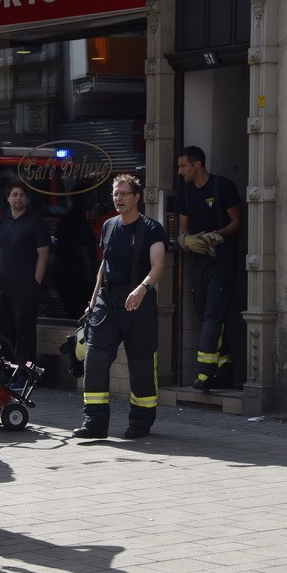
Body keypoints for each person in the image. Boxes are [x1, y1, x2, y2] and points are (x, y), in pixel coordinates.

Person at [74, 174, 168, 440]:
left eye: (125, 194)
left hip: (138, 299)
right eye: (116, 194)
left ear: (136, 197)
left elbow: (158, 265)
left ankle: (140, 421)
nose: (119, 198)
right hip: (108, 300)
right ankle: (94, 422)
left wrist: (142, 289)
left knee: (140, 362)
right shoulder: (109, 226)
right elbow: (103, 267)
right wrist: (93, 302)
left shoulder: (152, 229)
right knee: (95, 357)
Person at [176, 146, 243, 391]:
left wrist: (217, 235)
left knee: (213, 313)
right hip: (199, 259)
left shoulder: (222, 186)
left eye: (183, 166)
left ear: (197, 164)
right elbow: (183, 227)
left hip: (223, 258)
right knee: (204, 311)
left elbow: (237, 222)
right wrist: (187, 240)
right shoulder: (185, 192)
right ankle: (224, 367)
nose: (180, 171)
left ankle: (204, 373)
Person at [0, 181, 49, 374]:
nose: (18, 198)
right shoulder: (2, 221)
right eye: (15, 195)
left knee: (24, 331)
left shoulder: (35, 222)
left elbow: (43, 254)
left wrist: (35, 283)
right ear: (8, 198)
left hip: (25, 285)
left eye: (22, 195)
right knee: (1, 329)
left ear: (26, 198)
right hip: (1, 284)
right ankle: (6, 370)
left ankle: (25, 373)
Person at [55, 194, 98, 319]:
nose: (93, 200)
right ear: (80, 198)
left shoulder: (72, 217)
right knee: (79, 316)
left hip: (68, 274)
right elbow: (81, 251)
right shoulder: (76, 219)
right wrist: (89, 278)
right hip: (74, 276)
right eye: (89, 197)